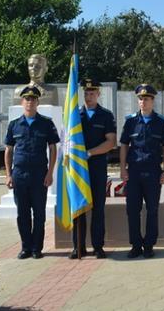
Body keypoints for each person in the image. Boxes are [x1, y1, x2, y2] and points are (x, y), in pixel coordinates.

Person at [4, 86, 60, 259]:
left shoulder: (46, 123)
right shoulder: (14, 125)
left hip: (39, 175)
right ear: (22, 102)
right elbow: (8, 150)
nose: (30, 102)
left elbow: (52, 148)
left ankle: (37, 248)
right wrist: (8, 174)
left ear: (37, 102)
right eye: (27, 99)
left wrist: (50, 173)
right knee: (22, 214)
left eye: (33, 99)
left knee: (39, 213)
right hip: (19, 175)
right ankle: (25, 247)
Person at [119, 84, 164, 259]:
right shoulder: (131, 121)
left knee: (152, 209)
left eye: (147, 99)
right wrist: (122, 169)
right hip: (134, 172)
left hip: (152, 172)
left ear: (153, 100)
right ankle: (136, 245)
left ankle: (149, 245)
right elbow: (124, 146)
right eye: (141, 99)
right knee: (132, 210)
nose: (143, 102)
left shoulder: (161, 123)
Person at [70, 79, 117, 260]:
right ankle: (78, 247)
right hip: (78, 169)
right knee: (79, 208)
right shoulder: (74, 116)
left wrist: (89, 153)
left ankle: (98, 246)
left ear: (98, 94)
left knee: (98, 208)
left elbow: (111, 142)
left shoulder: (105, 115)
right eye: (86, 93)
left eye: (92, 93)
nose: (88, 97)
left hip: (97, 167)